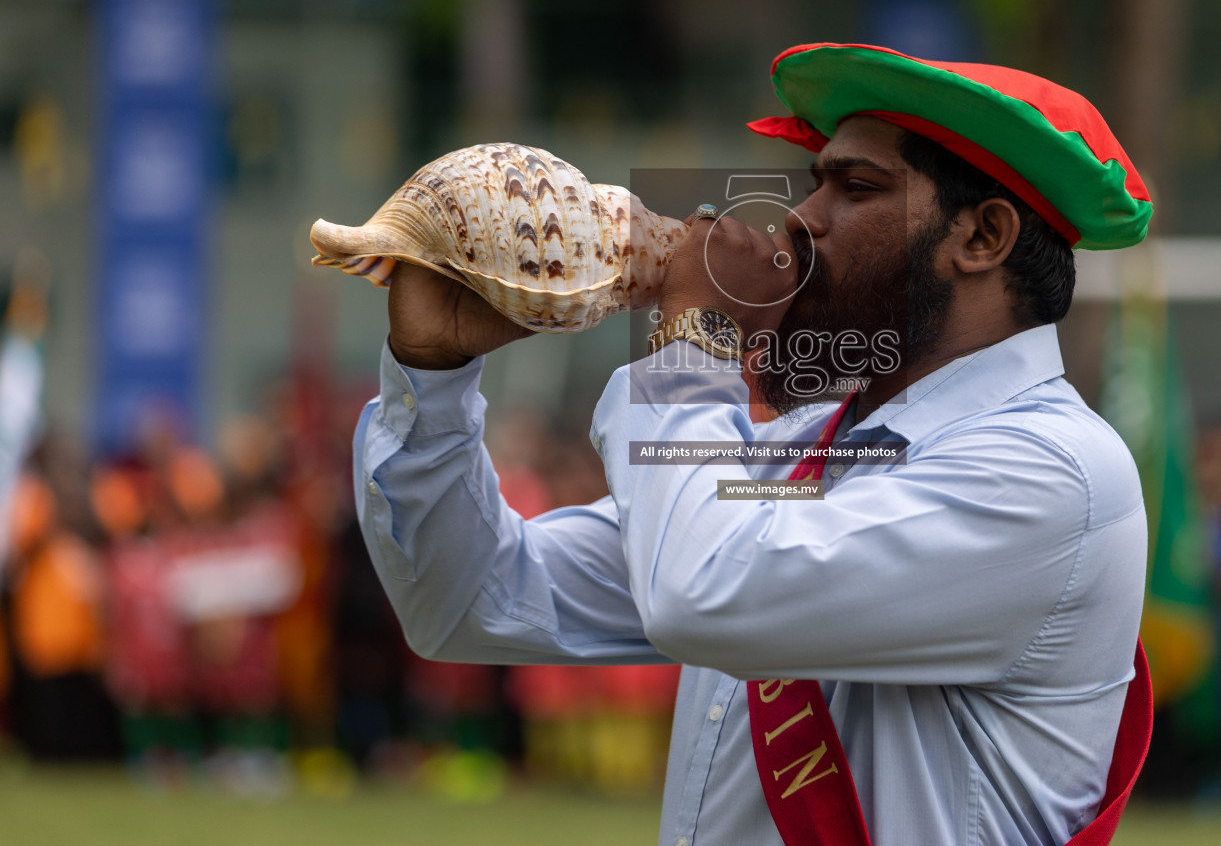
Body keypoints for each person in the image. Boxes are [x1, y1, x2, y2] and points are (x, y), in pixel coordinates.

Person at [354, 43, 1154, 845]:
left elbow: (702, 592)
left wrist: (695, 339)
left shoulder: (1052, 473)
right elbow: (471, 601)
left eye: (857, 187)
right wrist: (434, 373)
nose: (802, 219)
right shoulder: (808, 447)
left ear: (983, 236)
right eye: (816, 184)